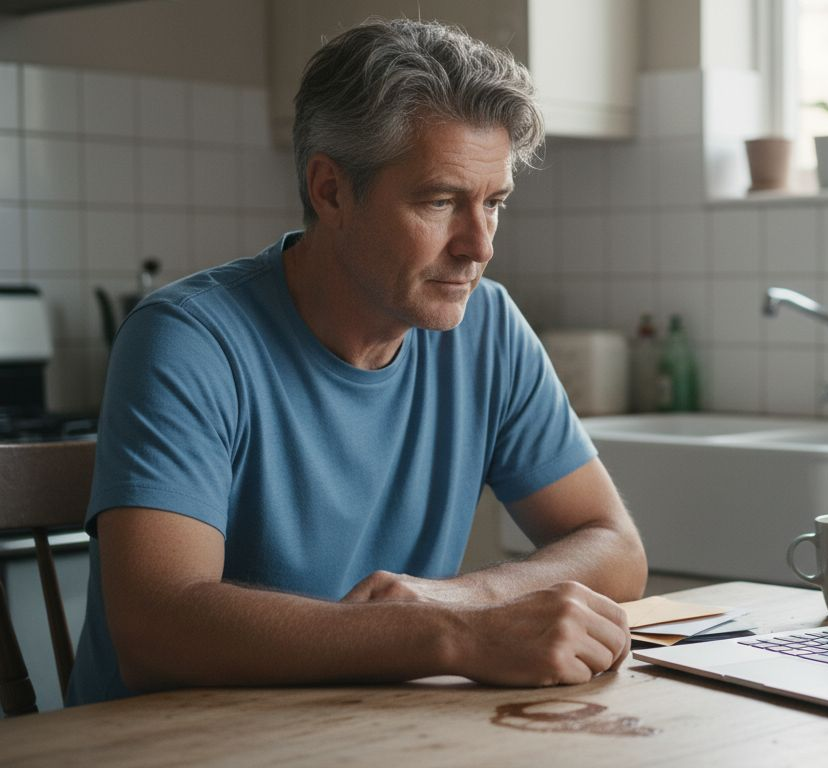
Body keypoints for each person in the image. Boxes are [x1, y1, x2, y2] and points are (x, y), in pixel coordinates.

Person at [66, 19, 647, 706]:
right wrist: (450, 634)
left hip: (368, 727)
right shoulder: (188, 340)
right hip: (167, 743)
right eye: (440, 201)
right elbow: (155, 629)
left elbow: (615, 547)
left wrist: (466, 599)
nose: (480, 246)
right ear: (331, 191)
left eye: (493, 203)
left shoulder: (488, 327)